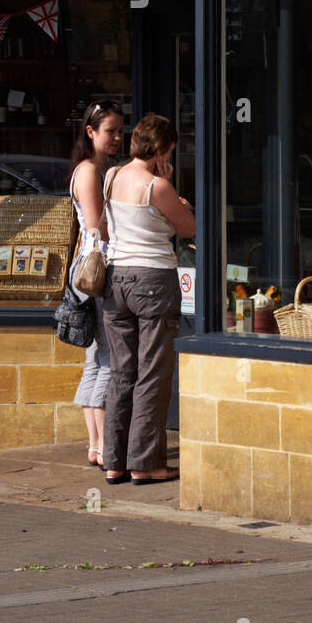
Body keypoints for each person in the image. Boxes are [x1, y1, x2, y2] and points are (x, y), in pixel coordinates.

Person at [101, 113, 195, 485]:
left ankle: (114, 462)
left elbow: (108, 227)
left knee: (122, 372)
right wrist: (178, 198)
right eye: (168, 151)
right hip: (153, 278)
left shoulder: (112, 176)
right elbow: (188, 228)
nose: (168, 158)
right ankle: (145, 464)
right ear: (159, 150)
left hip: (116, 279)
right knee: (153, 374)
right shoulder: (157, 186)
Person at [67, 100, 125, 468]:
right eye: (110, 131)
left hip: (89, 272)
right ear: (90, 132)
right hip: (96, 272)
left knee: (95, 357)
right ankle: (105, 446)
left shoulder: (101, 168)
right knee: (108, 358)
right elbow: (95, 227)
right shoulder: (89, 171)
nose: (118, 137)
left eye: (121, 131)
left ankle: (95, 445)